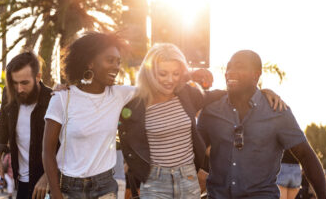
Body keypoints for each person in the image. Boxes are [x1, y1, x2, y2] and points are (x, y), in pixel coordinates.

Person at [118, 44, 285, 199]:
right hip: (155, 180)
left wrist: (260, 92)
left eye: (176, 73)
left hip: (187, 177)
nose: (170, 79)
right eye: (163, 73)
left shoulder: (187, 95)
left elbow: (224, 94)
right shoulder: (134, 103)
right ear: (150, 73)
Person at [197, 50, 326, 198]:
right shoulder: (211, 111)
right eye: (229, 67)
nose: (230, 72)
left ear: (256, 75)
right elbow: (192, 152)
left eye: (239, 67)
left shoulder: (277, 112)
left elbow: (306, 155)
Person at [43, 32, 134, 199]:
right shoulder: (63, 98)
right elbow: (48, 151)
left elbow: (154, 86)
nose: (116, 66)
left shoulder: (120, 94)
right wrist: (55, 192)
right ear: (90, 63)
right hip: (68, 188)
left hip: (105, 187)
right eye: (110, 60)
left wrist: (189, 76)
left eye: (118, 62)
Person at [0, 52, 52, 199]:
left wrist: (48, 177)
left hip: (48, 184)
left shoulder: (53, 99)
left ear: (38, 77)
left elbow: (65, 145)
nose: (19, 89)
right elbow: (2, 124)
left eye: (24, 83)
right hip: (22, 182)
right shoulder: (9, 93)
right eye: (14, 83)